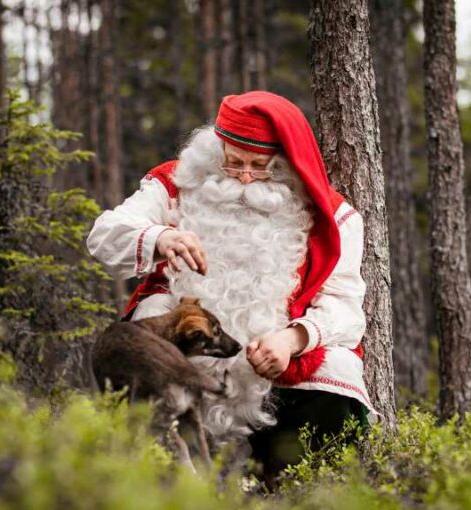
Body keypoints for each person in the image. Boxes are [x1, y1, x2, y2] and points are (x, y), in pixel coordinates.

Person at [86, 91, 377, 481]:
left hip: (273, 369)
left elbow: (345, 308)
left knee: (338, 367)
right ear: (215, 149)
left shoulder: (335, 217)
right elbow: (104, 236)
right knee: (144, 330)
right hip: (182, 354)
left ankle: (298, 482)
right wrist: (159, 238)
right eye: (234, 162)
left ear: (288, 163)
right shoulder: (176, 183)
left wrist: (291, 341)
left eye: (261, 167)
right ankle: (169, 482)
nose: (243, 177)